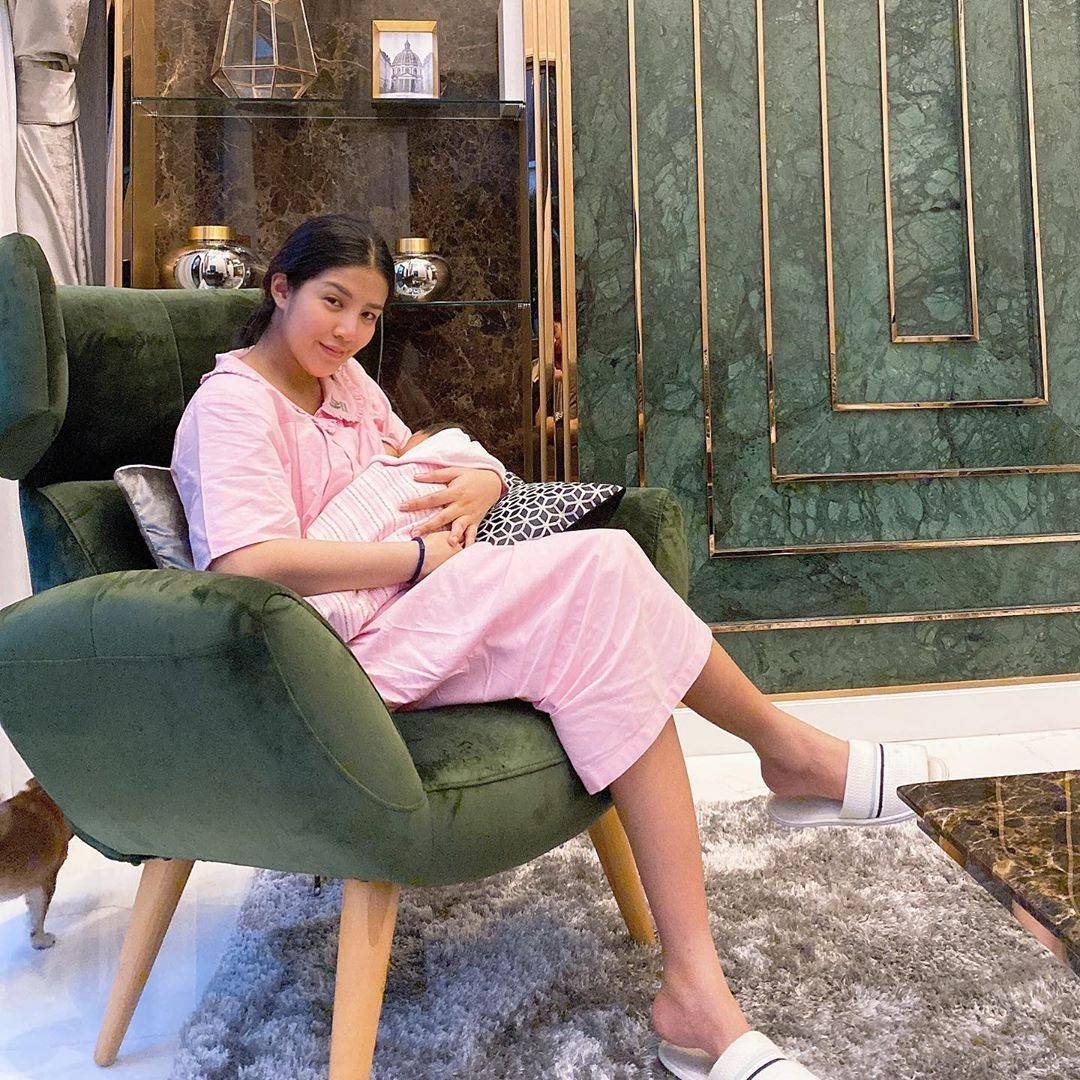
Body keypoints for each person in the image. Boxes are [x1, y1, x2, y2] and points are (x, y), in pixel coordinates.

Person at [170, 214, 940, 1080]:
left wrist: (481, 480)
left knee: (609, 631)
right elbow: (248, 564)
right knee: (605, 565)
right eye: (332, 302)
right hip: (321, 657)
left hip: (410, 607)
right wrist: (416, 557)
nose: (348, 331)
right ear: (281, 289)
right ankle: (786, 757)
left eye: (370, 315)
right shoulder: (232, 406)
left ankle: (698, 986)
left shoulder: (344, 383)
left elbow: (417, 458)